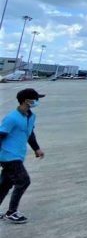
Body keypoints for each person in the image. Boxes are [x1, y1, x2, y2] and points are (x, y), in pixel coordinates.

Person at [0, 88, 46, 224]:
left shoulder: (31, 116)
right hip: (8, 156)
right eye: (35, 99)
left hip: (18, 155)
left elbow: (30, 134)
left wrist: (36, 148)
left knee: (5, 184)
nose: (37, 101)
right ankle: (12, 212)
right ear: (26, 101)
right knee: (23, 181)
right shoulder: (11, 118)